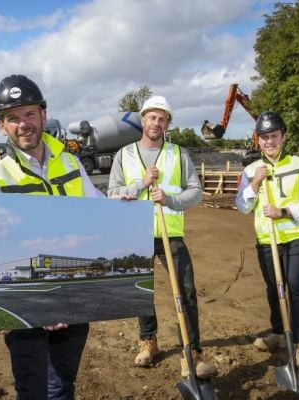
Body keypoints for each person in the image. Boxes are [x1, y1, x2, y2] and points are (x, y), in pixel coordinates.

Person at [0, 74, 104, 400]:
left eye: (29, 114)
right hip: (28, 305)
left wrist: (125, 209)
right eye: (12, 118)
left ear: (43, 116)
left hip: (71, 296)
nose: (23, 124)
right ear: (1, 126)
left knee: (63, 384)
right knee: (33, 390)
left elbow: (99, 213)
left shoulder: (71, 162)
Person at [107, 95, 218, 379]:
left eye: (162, 118)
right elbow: (112, 195)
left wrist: (169, 199)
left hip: (172, 235)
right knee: (142, 292)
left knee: (186, 292)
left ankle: (191, 351)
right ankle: (149, 341)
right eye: (152, 117)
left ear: (167, 123)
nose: (156, 122)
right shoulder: (125, 155)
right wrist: (139, 185)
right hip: (137, 232)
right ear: (143, 120)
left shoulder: (178, 154)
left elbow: (195, 192)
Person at [235, 111, 299, 368]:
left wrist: (283, 212)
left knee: (294, 284)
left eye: (273, 136)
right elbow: (242, 206)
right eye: (264, 137)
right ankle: (279, 332)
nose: (269, 141)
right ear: (257, 140)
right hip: (266, 240)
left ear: (283, 136)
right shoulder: (250, 170)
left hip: (296, 237)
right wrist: (256, 183)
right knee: (274, 287)